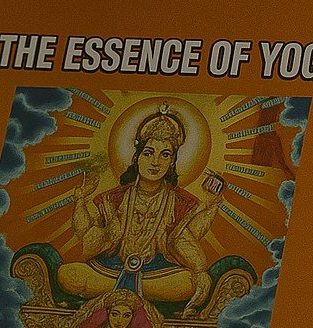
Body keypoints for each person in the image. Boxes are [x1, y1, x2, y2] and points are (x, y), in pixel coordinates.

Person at [56, 104, 222, 315]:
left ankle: (119, 293)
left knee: (188, 283)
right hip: (112, 269)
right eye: (149, 153)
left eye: (165, 155)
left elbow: (188, 236)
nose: (155, 162)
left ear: (172, 161)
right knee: (68, 275)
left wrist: (212, 204)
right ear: (137, 157)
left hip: (157, 273)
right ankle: (132, 293)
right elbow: (86, 232)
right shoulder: (113, 198)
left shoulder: (182, 201)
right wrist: (80, 198)